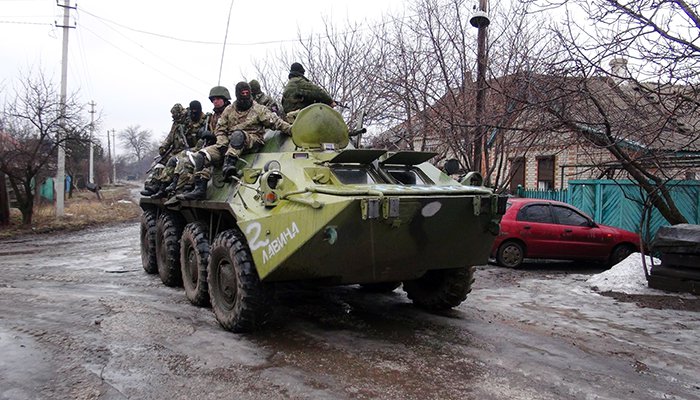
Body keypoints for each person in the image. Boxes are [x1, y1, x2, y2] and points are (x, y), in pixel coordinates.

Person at [177, 81, 292, 201]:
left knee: (238, 135)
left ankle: (228, 165)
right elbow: (220, 130)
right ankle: (200, 189)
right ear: (237, 95)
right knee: (201, 155)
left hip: (251, 140)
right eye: (242, 94)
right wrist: (222, 145)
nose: (245, 97)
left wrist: (291, 130)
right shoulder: (229, 110)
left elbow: (276, 122)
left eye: (247, 94)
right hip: (229, 143)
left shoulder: (258, 109)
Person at [165, 87, 231, 198]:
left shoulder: (231, 112)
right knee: (186, 160)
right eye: (213, 100)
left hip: (226, 147)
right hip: (213, 146)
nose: (215, 102)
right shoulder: (213, 116)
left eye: (218, 99)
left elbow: (233, 132)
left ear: (224, 99)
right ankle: (180, 189)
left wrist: (213, 135)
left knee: (201, 157)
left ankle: (198, 190)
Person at [140, 103, 189, 196]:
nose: (173, 116)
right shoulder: (176, 123)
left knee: (172, 162)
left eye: (174, 114)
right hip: (175, 150)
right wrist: (163, 147)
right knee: (160, 162)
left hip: (186, 150)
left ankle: (165, 186)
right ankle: (154, 184)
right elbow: (170, 137)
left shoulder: (187, 121)